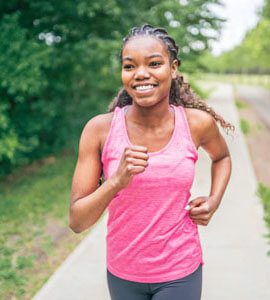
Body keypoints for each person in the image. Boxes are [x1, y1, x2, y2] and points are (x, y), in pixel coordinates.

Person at [69, 24, 234, 300]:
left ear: (173, 67)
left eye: (154, 63)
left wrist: (214, 199)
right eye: (129, 66)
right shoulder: (99, 130)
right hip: (123, 272)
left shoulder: (196, 123)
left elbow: (222, 157)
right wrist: (116, 181)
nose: (141, 74)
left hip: (180, 270)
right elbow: (77, 221)